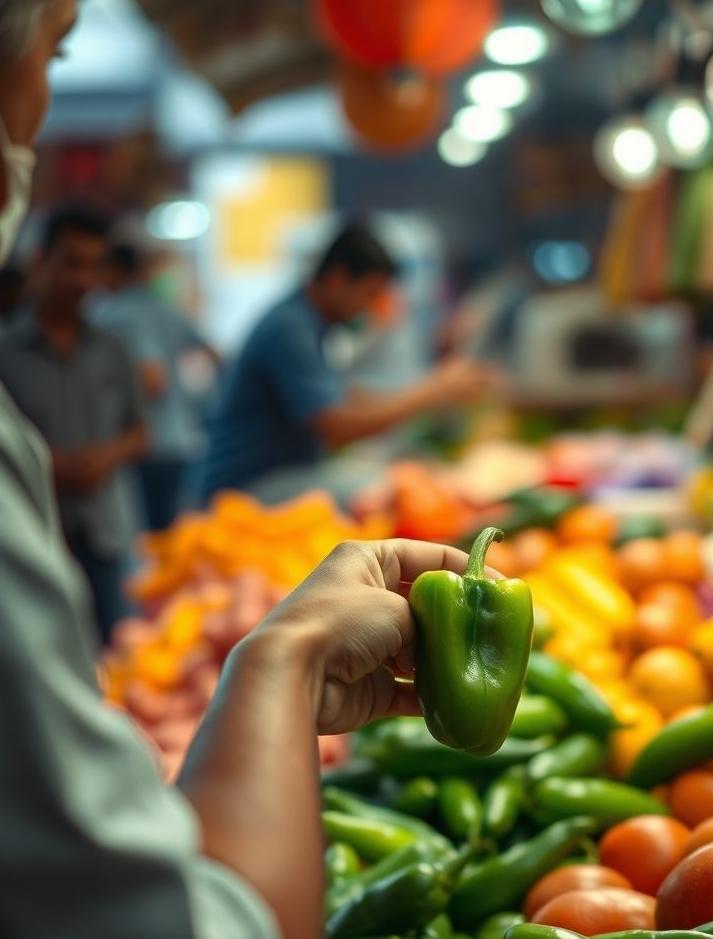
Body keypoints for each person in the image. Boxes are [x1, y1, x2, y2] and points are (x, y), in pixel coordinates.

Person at [0, 3, 482, 938]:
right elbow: (186, 920)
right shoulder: (290, 326)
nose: (38, 111)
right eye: (50, 55)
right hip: (228, 505)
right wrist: (285, 657)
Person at [196, 223, 494, 503]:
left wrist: (432, 388)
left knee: (395, 477)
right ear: (339, 279)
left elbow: (351, 401)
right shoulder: (290, 329)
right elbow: (336, 427)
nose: (372, 306)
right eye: (370, 293)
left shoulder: (308, 324)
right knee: (378, 491)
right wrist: (433, 390)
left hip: (276, 476)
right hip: (245, 488)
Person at [0, 204, 149, 638]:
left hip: (106, 532)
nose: (84, 280)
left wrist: (107, 456)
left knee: (116, 651)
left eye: (93, 267)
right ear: (40, 262)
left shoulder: (112, 350)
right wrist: (46, 464)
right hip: (31, 536)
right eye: (71, 264)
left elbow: (140, 432)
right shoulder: (7, 353)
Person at [95, 240, 217, 530]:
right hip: (183, 438)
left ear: (113, 271)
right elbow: (214, 354)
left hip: (148, 445)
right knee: (173, 536)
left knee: (150, 543)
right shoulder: (166, 308)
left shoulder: (119, 312)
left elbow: (153, 379)